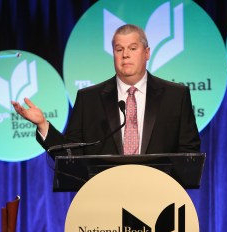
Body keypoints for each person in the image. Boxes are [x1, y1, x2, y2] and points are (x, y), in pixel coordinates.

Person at [12, 24, 200, 157]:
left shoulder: (176, 96)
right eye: (119, 49)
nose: (125, 54)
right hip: (105, 200)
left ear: (147, 53)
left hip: (160, 199)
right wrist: (43, 124)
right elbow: (71, 156)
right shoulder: (89, 99)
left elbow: (189, 153)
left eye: (133, 48)